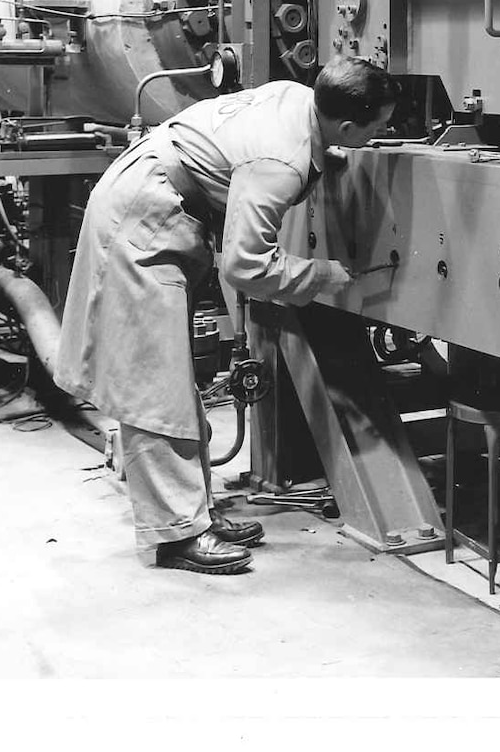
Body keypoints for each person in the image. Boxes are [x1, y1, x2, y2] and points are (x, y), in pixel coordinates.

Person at [55, 59, 400, 575]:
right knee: (154, 382)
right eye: (378, 128)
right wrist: (323, 274)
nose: (383, 135)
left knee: (167, 377)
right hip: (143, 215)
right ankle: (176, 536)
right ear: (347, 127)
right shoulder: (279, 164)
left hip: (155, 193)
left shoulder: (297, 98)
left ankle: (193, 514)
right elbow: (245, 265)